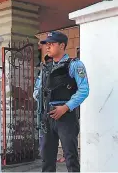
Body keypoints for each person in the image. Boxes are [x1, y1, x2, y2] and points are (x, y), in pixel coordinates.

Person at [34, 31, 89, 172]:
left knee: (70, 158)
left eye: (51, 44)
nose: (47, 47)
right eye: (46, 44)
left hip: (66, 116)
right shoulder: (45, 67)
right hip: (48, 116)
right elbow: (37, 91)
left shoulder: (75, 65)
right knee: (47, 158)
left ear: (62, 45)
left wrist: (65, 107)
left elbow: (84, 90)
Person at [34, 54, 53, 159]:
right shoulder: (41, 74)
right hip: (42, 108)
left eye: (51, 61)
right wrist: (40, 94)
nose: (49, 63)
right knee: (43, 130)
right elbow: (35, 92)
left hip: (54, 107)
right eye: (48, 62)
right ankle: (43, 153)